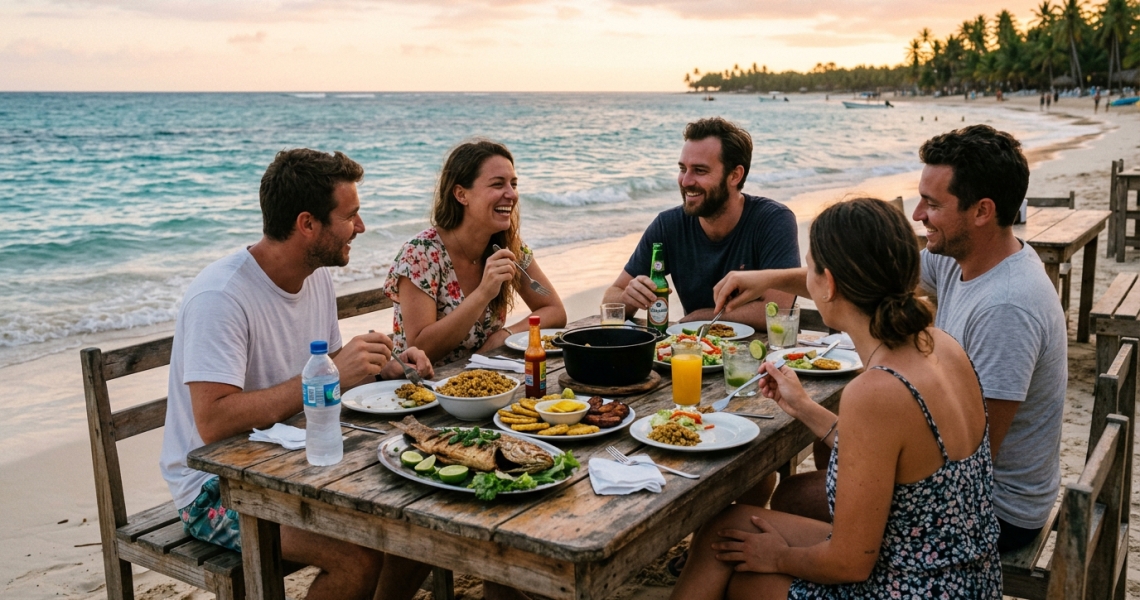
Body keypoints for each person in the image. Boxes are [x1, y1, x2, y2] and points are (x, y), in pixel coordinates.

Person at [715, 124, 1067, 555]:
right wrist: (763, 279)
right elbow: (865, 274)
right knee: (810, 481)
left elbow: (972, 460)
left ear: (982, 211)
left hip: (991, 509)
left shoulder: (1006, 308)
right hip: (956, 482)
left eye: (933, 204)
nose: (917, 214)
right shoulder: (970, 261)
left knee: (789, 501)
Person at [672, 198, 1001, 599]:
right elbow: (892, 456)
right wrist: (802, 407)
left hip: (921, 585)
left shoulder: (876, 389)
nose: (804, 277)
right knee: (728, 530)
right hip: (962, 570)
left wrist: (777, 558)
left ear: (828, 284)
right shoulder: (941, 344)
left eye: (810, 267)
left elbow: (849, 562)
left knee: (748, 577)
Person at [160, 148, 435, 600]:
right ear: (307, 224)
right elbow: (213, 421)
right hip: (215, 487)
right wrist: (332, 376)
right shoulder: (222, 297)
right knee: (356, 555)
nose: (360, 228)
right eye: (351, 216)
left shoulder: (315, 275)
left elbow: (323, 369)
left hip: (295, 459)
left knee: (422, 517)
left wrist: (383, 367)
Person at [602, 117, 799, 330]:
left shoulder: (773, 221)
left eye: (700, 170)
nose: (686, 181)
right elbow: (610, 302)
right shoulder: (668, 226)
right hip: (693, 355)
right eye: (682, 169)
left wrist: (701, 316)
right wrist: (630, 297)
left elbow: (779, 311)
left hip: (760, 356)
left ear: (735, 175)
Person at [384, 140, 566, 365]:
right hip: (423, 389)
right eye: (498, 185)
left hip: (485, 381)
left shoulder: (509, 246)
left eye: (514, 184)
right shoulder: (421, 254)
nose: (512, 194)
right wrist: (483, 293)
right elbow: (420, 350)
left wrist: (506, 335)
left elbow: (554, 311)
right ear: (461, 195)